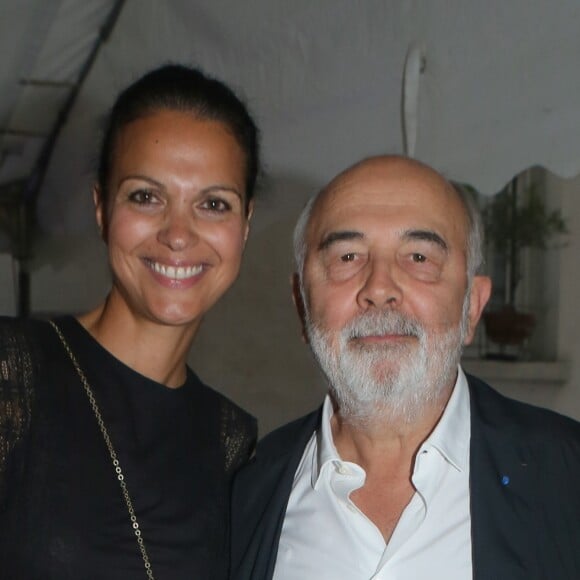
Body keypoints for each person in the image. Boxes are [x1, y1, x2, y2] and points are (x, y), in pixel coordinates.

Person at [231, 155, 580, 580]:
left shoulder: (566, 479)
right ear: (303, 305)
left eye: (418, 257)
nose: (379, 288)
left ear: (473, 306)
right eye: (347, 257)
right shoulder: (240, 497)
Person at [0, 64, 260, 579]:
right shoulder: (14, 372)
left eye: (213, 204)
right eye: (146, 196)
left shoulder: (231, 439)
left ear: (245, 226)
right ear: (101, 207)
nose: (178, 234)